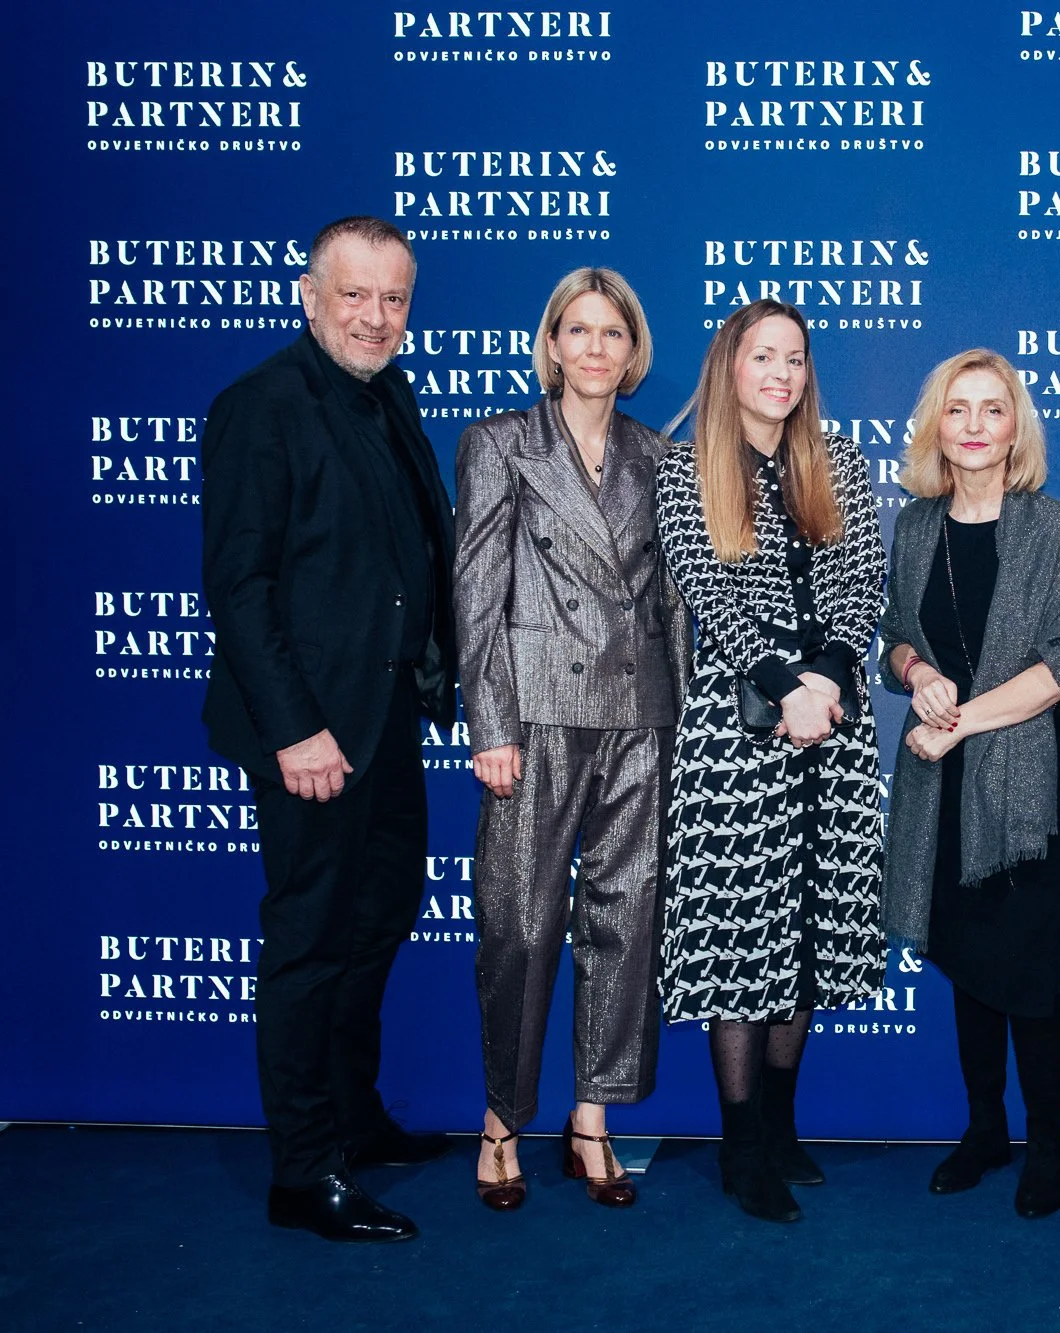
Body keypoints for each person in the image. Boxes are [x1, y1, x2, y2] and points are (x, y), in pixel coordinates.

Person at [201, 216, 456, 1243]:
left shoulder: (388, 397)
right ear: (309, 295)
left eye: (393, 298)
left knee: (380, 915)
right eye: (354, 295)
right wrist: (294, 731)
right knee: (309, 941)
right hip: (312, 731)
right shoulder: (262, 405)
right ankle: (303, 1171)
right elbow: (240, 585)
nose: (375, 316)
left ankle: (353, 1116)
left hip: (387, 714)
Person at [454, 268, 693, 1211]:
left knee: (626, 924)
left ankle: (592, 1120)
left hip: (642, 715)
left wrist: (686, 715)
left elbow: (673, 600)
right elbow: (477, 593)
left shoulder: (657, 457)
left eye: (613, 333)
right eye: (578, 331)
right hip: (540, 712)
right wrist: (493, 724)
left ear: (633, 352)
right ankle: (503, 1122)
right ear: (551, 343)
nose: (595, 348)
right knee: (517, 925)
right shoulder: (500, 444)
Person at [654, 298, 887, 1224]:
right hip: (735, 729)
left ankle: (784, 1127)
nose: (782, 373)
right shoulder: (685, 470)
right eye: (763, 357)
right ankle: (740, 1141)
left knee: (808, 932)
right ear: (730, 367)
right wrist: (783, 685)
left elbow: (862, 577)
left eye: (794, 358)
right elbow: (707, 587)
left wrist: (826, 679)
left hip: (833, 723)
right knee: (741, 935)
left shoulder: (840, 465)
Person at [879, 350, 1060, 1220]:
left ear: (1016, 428)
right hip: (944, 783)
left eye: (991, 409)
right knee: (969, 964)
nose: (973, 425)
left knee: (1030, 975)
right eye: (957, 409)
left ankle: (1047, 1140)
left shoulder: (1053, 529)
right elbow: (894, 636)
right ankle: (984, 1130)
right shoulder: (915, 528)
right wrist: (916, 669)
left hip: (1028, 782)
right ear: (937, 426)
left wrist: (959, 718)